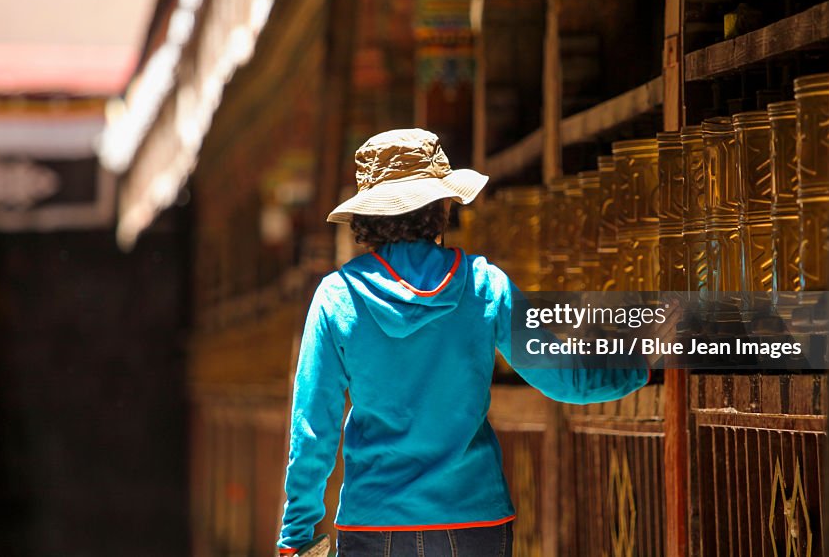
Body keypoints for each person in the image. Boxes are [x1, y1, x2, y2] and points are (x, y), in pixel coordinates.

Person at [277, 129, 651, 557]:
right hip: (474, 522)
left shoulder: (336, 297)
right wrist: (641, 365)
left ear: (368, 217)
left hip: (374, 525)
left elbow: (312, 431)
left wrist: (296, 537)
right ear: (442, 207)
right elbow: (564, 377)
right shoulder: (484, 285)